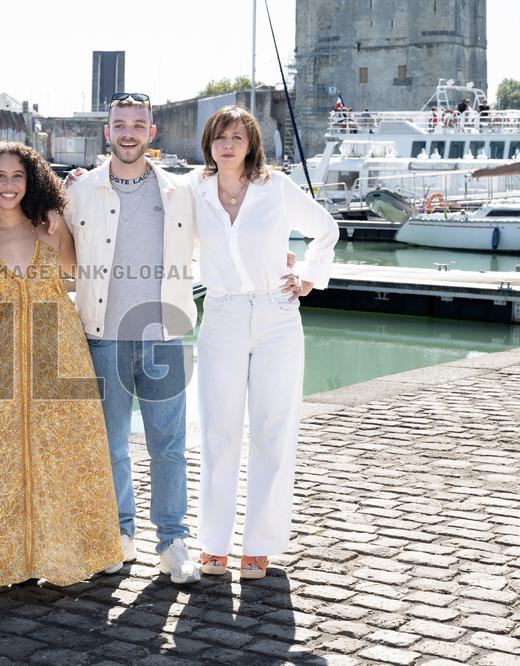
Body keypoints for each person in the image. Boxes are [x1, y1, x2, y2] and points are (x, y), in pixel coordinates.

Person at [0, 141, 123, 586]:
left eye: (17, 176)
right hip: (6, 346)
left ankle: (85, 548)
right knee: (4, 449)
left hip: (58, 339)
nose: (8, 185)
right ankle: (7, 558)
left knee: (68, 445)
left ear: (31, 181)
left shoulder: (51, 225)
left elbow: (92, 264)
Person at [188, 105, 338, 580]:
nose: (227, 145)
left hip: (276, 316)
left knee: (273, 429)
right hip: (223, 313)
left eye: (237, 137)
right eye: (219, 137)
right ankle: (213, 544)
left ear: (251, 143)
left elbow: (326, 229)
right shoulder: (194, 189)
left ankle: (259, 546)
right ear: (209, 144)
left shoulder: (275, 188)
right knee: (219, 431)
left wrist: (308, 277)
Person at [65, 93, 201, 584]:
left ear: (152, 132)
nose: (128, 133)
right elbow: (46, 247)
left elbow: (227, 240)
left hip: (163, 335)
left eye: (137, 124)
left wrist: (282, 263)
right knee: (111, 446)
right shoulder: (78, 192)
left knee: (169, 446)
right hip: (103, 338)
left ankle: (172, 541)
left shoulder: (182, 192)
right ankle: (121, 537)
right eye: (119, 124)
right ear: (107, 132)